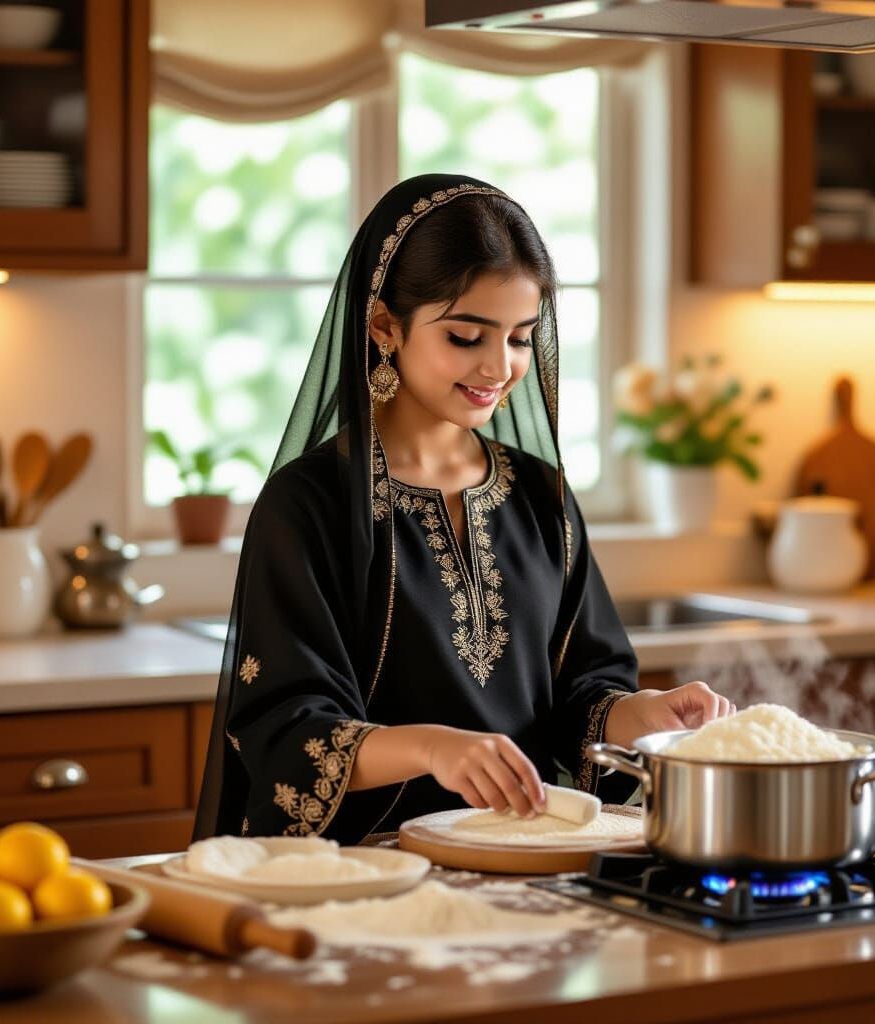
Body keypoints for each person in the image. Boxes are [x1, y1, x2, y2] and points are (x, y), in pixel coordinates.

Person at [193, 173, 734, 845]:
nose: (500, 367)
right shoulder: (309, 505)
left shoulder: (542, 496)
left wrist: (644, 714)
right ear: (385, 326)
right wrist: (433, 749)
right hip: (359, 878)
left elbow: (579, 698)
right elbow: (286, 729)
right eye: (466, 337)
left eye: (518, 338)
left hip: (525, 869)